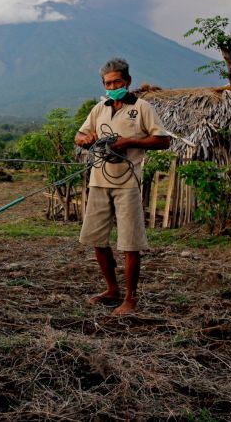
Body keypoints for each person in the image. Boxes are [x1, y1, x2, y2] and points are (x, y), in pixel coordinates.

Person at [74, 58, 171, 315]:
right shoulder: (99, 109)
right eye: (108, 83)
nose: (113, 86)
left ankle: (130, 298)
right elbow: (79, 135)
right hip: (98, 181)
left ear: (127, 82)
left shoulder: (142, 108)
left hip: (127, 183)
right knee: (97, 238)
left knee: (130, 242)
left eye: (117, 81)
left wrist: (130, 141)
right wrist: (87, 139)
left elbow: (163, 140)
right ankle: (111, 289)